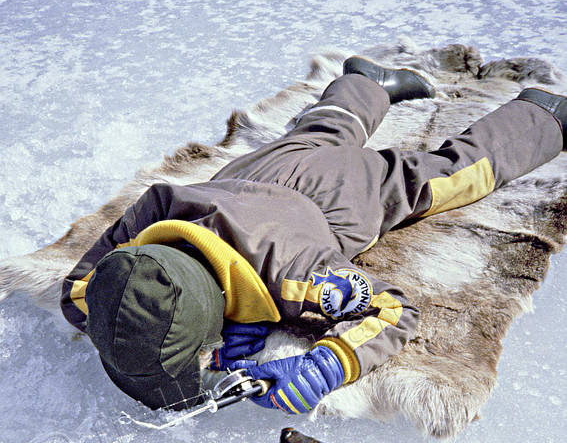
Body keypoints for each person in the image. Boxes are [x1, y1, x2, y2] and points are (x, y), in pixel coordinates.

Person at [60, 56, 567, 414]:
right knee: (318, 133)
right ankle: (366, 81)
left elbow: (396, 311)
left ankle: (542, 115)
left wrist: (328, 364)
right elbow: (80, 289)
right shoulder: (160, 211)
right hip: (250, 175)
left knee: (443, 175)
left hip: (338, 197)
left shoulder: (302, 278)